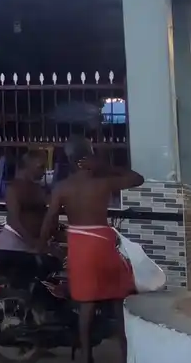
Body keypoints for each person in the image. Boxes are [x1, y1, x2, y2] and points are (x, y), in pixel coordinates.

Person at [37, 136, 144, 363]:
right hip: (103, 244)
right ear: (90, 156)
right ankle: (127, 355)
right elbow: (137, 179)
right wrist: (106, 167)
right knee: (118, 300)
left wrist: (41, 246)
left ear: (68, 159)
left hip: (80, 246)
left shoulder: (63, 187)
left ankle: (86, 356)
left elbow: (49, 220)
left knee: (86, 303)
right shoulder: (103, 182)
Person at [0, 150, 49, 252]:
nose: (44, 171)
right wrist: (32, 242)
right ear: (29, 166)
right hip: (15, 241)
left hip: (32, 244)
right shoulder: (14, 188)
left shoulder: (38, 188)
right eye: (40, 167)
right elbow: (13, 220)